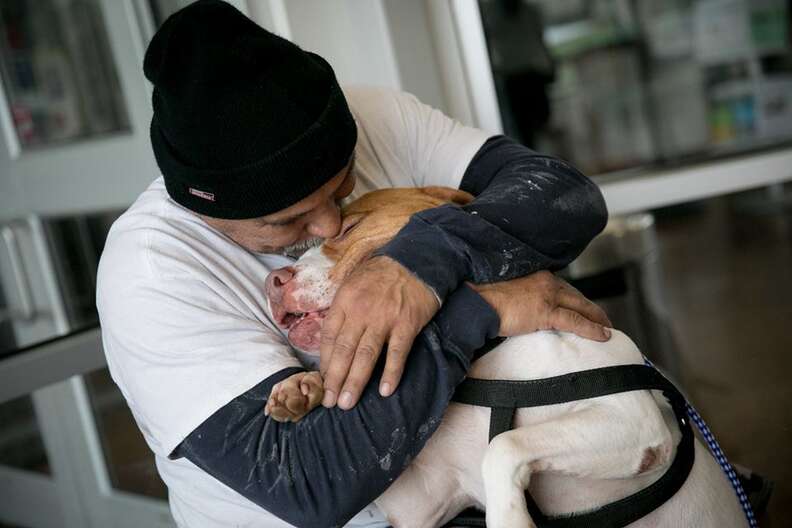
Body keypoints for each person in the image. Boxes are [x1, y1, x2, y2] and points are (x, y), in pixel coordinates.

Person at [96, 1, 611, 526]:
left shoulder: (374, 117)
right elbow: (306, 481)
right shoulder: (151, 270)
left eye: (343, 190)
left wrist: (420, 262)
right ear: (206, 209)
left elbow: (566, 197)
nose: (326, 226)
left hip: (482, 491)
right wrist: (477, 309)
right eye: (287, 221)